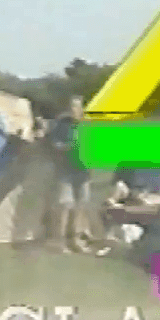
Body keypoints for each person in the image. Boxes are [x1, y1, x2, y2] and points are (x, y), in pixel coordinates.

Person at [46, 96, 95, 253]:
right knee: (65, 205)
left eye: (76, 106)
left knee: (81, 205)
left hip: (84, 172)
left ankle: (74, 240)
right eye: (71, 107)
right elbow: (54, 143)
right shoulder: (62, 125)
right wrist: (63, 147)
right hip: (65, 170)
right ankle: (59, 242)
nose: (73, 110)